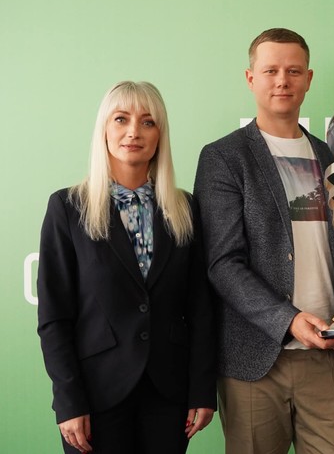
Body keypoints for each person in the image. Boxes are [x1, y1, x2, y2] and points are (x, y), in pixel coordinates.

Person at [193, 28, 334, 454]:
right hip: (254, 361)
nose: (282, 81)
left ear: (309, 79)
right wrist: (288, 319)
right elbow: (222, 263)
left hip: (330, 355)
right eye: (270, 71)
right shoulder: (224, 157)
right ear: (251, 78)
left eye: (293, 71)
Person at [37, 81, 216, 454]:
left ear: (160, 135)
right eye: (121, 119)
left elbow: (200, 307)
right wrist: (68, 401)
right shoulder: (67, 208)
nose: (134, 131)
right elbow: (54, 318)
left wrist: (202, 389)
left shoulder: (186, 209)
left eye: (148, 122)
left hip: (169, 395)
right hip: (94, 395)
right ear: (104, 128)